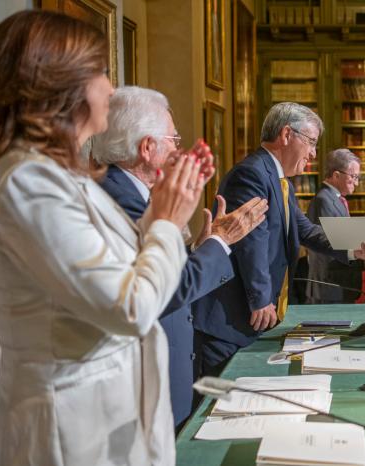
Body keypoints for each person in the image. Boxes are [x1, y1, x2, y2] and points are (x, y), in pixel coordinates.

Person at [0, 11, 212, 465]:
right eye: (101, 72)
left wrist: (158, 212)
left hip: (102, 418)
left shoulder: (59, 176)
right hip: (68, 431)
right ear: (62, 86)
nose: (111, 88)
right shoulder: (27, 184)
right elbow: (131, 307)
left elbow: (115, 269)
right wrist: (166, 222)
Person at [92, 86, 268, 428]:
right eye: (173, 139)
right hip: (143, 384)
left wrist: (200, 248)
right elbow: (164, 291)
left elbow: (157, 269)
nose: (177, 148)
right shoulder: (120, 199)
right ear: (147, 148)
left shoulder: (133, 192)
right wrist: (221, 240)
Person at [194, 102, 365, 376]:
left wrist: (354, 249)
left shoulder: (280, 180)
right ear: (286, 135)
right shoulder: (252, 174)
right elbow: (251, 240)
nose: (314, 154)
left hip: (247, 319)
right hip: (229, 319)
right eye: (311, 142)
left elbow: (305, 230)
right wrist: (260, 297)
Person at [306, 148, 364, 303]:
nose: (357, 183)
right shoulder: (324, 200)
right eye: (353, 177)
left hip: (338, 283)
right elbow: (326, 243)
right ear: (336, 175)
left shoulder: (335, 199)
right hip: (329, 284)